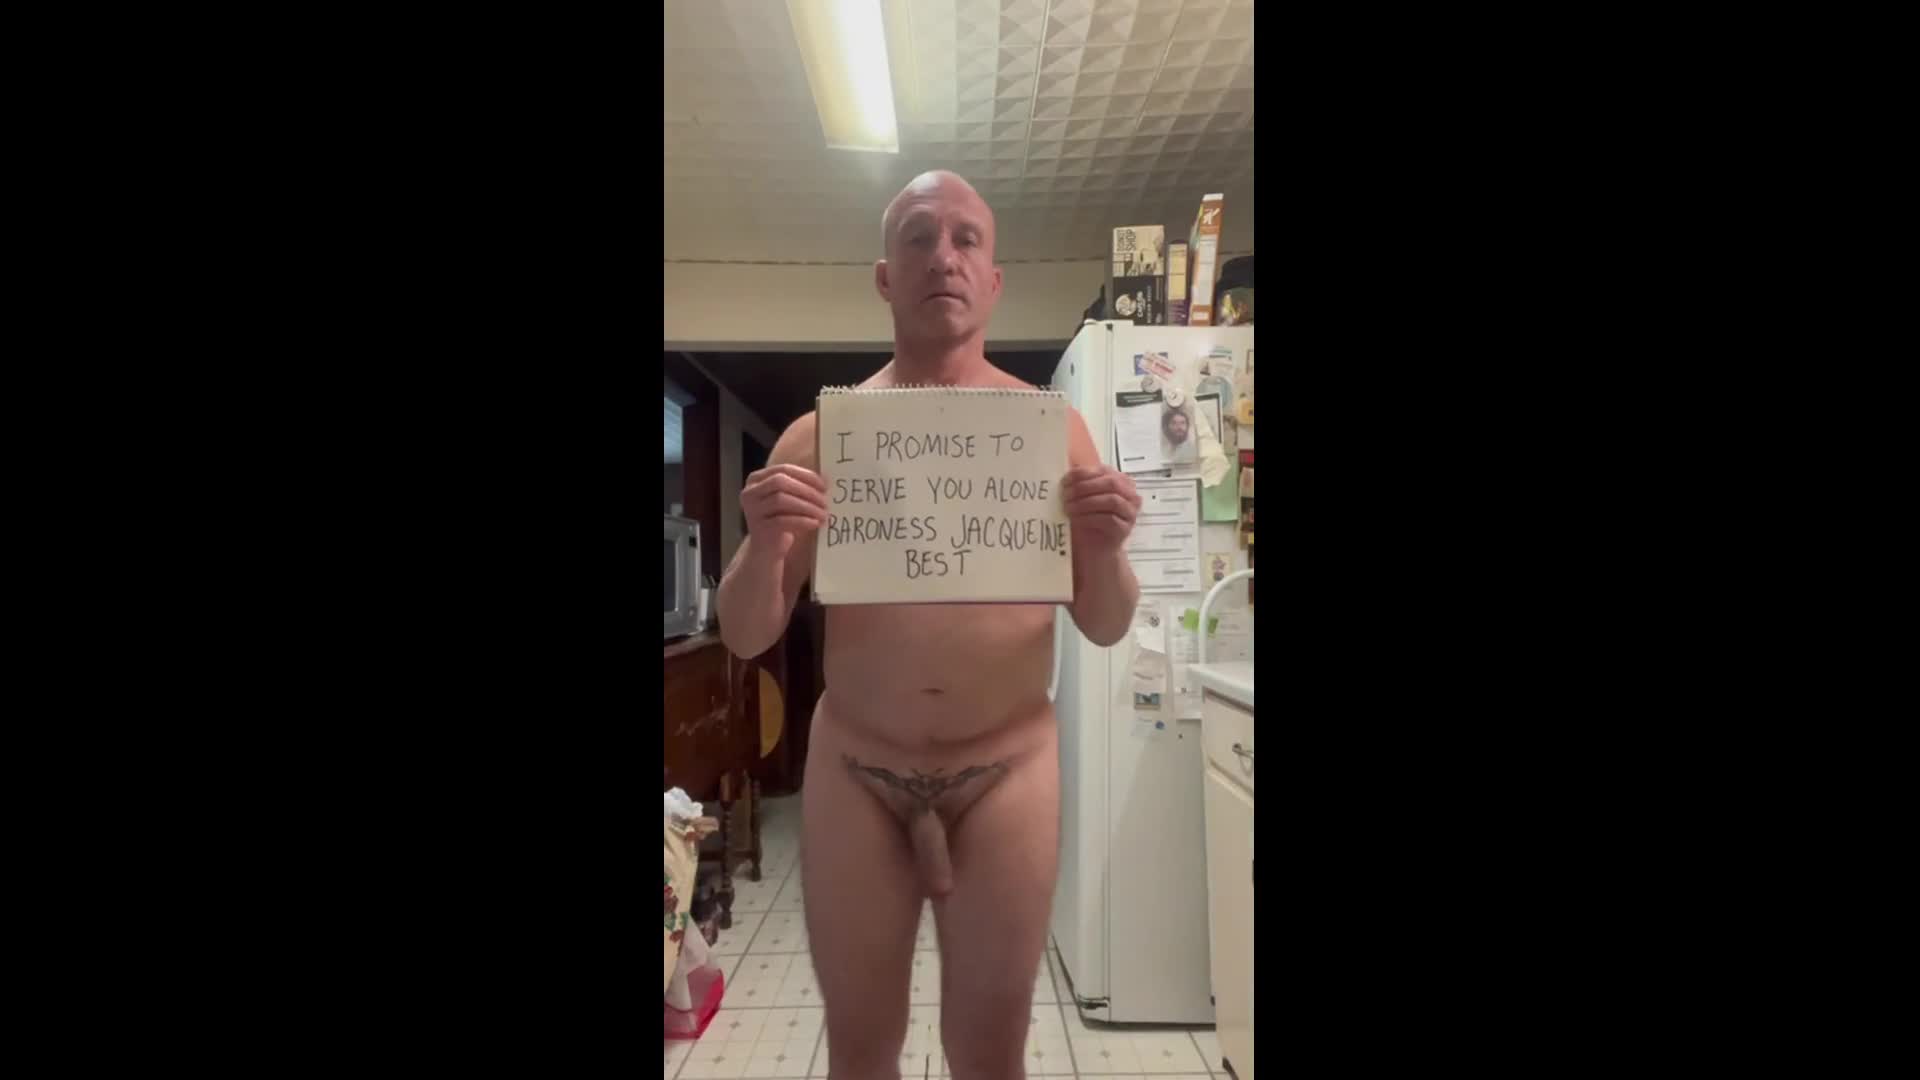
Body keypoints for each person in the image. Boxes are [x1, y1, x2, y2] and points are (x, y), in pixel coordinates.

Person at [715, 170, 1141, 1078]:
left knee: (989, 1050)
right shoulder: (819, 438)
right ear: (885, 276)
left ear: (993, 280)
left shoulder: (1052, 433)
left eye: (965, 240)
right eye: (918, 237)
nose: (942, 257)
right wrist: (762, 545)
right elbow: (747, 635)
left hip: (1007, 767)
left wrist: (1105, 548)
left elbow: (1106, 625)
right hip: (857, 768)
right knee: (861, 1048)